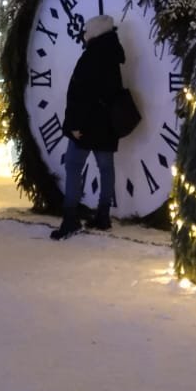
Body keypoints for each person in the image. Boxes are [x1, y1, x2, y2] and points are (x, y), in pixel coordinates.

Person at [51, 15, 125, 240]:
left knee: (73, 166)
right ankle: (103, 216)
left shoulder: (90, 57)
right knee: (106, 168)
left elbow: (78, 94)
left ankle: (70, 218)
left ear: (93, 34)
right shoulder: (113, 56)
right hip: (106, 125)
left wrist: (73, 125)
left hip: (86, 126)